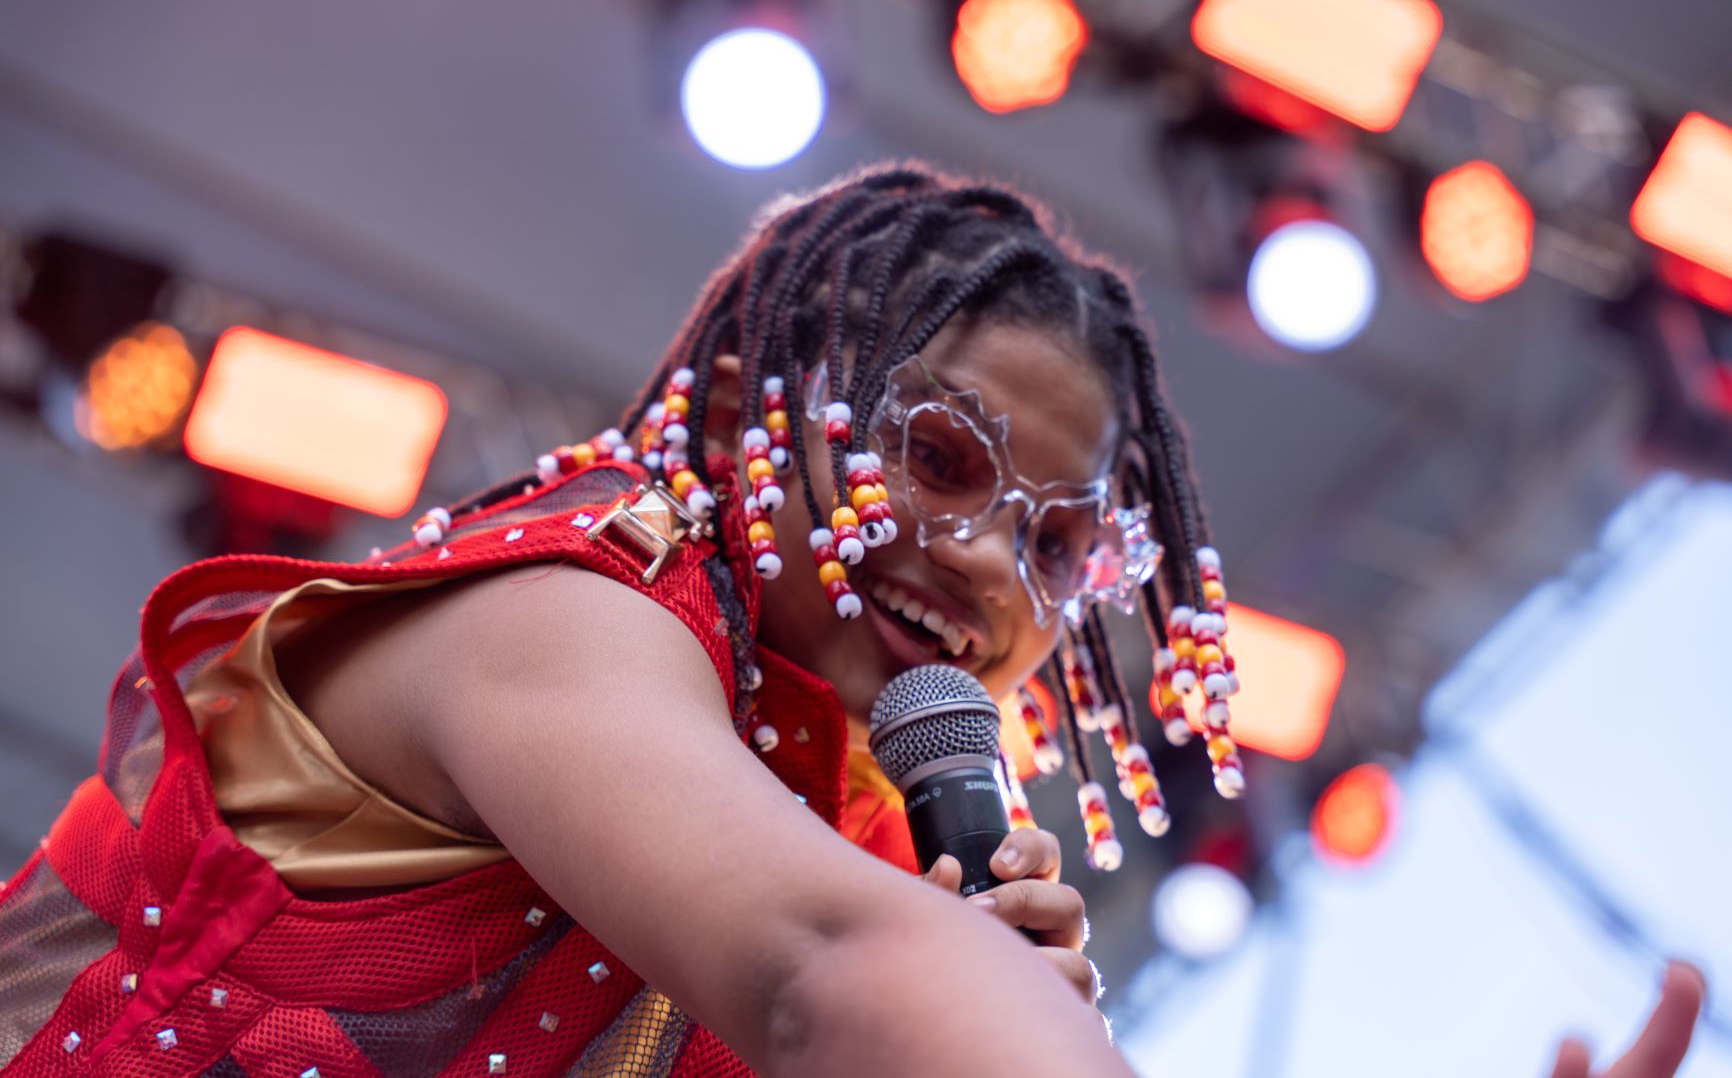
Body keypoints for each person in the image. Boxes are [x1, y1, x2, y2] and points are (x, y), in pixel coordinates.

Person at [0, 164, 1703, 1078]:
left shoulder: (869, 859)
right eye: (941, 458)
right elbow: (821, 974)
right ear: (748, 405)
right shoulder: (560, 603)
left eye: (1061, 550)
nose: (984, 569)